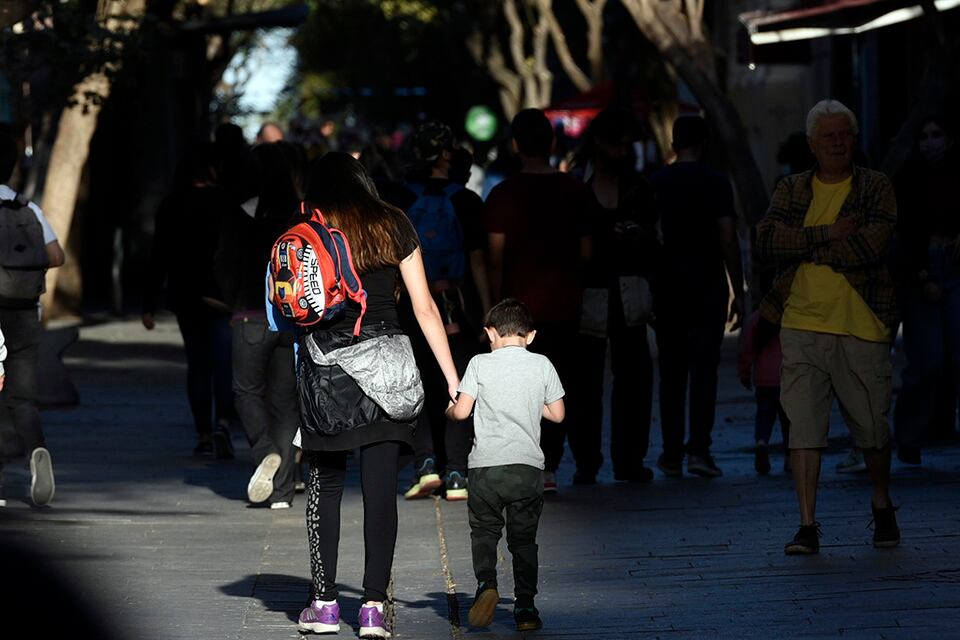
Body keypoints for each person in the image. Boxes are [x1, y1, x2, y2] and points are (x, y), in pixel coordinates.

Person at [292, 153, 459, 638]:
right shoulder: (393, 223)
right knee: (381, 491)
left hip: (327, 371)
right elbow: (425, 307)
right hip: (389, 370)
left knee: (324, 485)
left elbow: (292, 305)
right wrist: (451, 376)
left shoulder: (310, 225)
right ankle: (370, 608)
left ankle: (324, 605)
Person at [756, 99, 900, 554]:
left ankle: (881, 503)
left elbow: (870, 247)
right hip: (800, 322)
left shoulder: (874, 187)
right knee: (803, 428)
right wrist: (827, 234)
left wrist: (807, 248)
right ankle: (807, 524)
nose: (839, 142)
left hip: (862, 325)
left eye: (845, 135)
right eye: (829, 136)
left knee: (873, 428)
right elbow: (766, 240)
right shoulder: (792, 189)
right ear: (812, 145)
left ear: (854, 140)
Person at [484, 108, 592, 492]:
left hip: (518, 313)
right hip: (566, 305)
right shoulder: (576, 190)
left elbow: (494, 257)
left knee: (522, 391)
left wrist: (495, 304)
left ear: (515, 146)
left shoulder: (501, 196)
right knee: (563, 386)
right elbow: (585, 252)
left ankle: (533, 463)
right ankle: (559, 464)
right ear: (551, 143)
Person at [446, 298, 565, 632]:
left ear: (490, 333)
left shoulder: (480, 364)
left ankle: (487, 584)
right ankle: (526, 607)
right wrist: (529, 403)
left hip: (485, 468)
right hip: (527, 469)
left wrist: (449, 409)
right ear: (530, 335)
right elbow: (557, 414)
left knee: (484, 531)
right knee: (524, 541)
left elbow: (462, 411)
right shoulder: (542, 364)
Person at [391, 121, 489, 502]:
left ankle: (425, 464)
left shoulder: (398, 200)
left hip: (409, 306)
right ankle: (458, 472)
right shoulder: (465, 201)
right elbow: (479, 262)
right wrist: (486, 307)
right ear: (448, 154)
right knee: (459, 382)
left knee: (417, 385)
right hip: (457, 306)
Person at [650, 115, 745, 478]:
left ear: (673, 144)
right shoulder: (716, 183)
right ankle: (699, 451)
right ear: (704, 142)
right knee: (705, 369)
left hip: (667, 286)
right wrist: (738, 288)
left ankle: (671, 452)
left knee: (671, 372)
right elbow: (727, 236)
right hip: (707, 284)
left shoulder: (656, 182)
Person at [569, 107, 659, 484]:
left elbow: (656, 240)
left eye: (628, 145)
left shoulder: (639, 186)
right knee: (585, 383)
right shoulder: (577, 186)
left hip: (629, 290)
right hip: (588, 291)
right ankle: (587, 461)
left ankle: (629, 460)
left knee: (634, 378)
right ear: (599, 143)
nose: (624, 151)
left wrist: (639, 237)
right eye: (617, 144)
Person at [214, 142, 302, 509]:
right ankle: (282, 492)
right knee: (285, 402)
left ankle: (264, 450)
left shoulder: (241, 213)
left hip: (249, 315)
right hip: (288, 319)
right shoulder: (298, 218)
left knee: (246, 391)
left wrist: (231, 297)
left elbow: (222, 263)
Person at [143, 142, 235, 458]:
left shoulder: (171, 204)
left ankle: (203, 434)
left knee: (198, 365)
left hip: (185, 295)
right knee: (224, 362)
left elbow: (159, 256)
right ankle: (224, 421)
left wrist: (148, 303)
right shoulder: (227, 203)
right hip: (221, 296)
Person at [0, 128, 65, 507]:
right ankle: (36, 449)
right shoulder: (27, 208)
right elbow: (57, 256)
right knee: (22, 396)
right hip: (25, 311)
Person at [892, 115, 960, 466]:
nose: (931, 142)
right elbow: (904, 232)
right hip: (923, 270)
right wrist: (922, 275)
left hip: (954, 264)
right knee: (928, 360)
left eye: (938, 134)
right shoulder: (909, 178)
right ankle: (910, 434)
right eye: (924, 135)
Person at [737, 306, 790, 475]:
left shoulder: (756, 318)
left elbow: (747, 349)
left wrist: (745, 372)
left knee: (764, 415)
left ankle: (761, 442)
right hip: (788, 378)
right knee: (788, 421)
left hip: (764, 379)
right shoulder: (791, 314)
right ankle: (790, 458)